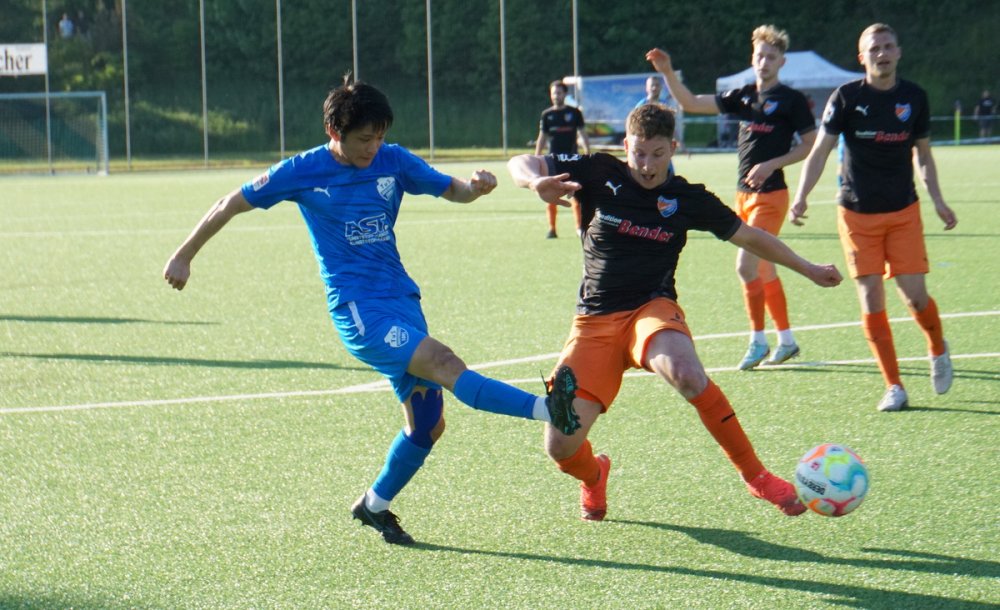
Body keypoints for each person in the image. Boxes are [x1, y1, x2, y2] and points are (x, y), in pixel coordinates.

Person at [163, 76, 580, 546]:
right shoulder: (302, 169)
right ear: (333, 131)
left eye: (379, 136)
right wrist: (183, 255)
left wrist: (476, 188)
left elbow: (453, 190)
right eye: (364, 138)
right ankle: (548, 409)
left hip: (402, 300)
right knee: (444, 362)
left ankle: (374, 505)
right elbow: (230, 204)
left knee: (427, 424)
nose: (373, 147)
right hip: (359, 311)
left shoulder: (393, 160)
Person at [507, 103, 843, 522]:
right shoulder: (598, 170)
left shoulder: (687, 198)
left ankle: (756, 477)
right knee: (560, 446)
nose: (647, 165)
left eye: (658, 153)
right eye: (639, 153)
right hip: (593, 321)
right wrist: (535, 180)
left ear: (673, 148)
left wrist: (808, 269)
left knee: (685, 371)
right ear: (626, 146)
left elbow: (750, 237)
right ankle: (594, 475)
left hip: (651, 308)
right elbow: (520, 161)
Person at [790, 23, 958, 412]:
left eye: (887, 46)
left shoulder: (914, 97)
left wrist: (938, 200)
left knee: (915, 297)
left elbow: (923, 155)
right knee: (870, 298)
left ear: (898, 52)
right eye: (874, 48)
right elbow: (820, 151)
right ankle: (894, 385)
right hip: (856, 213)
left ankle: (937, 347)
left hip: (903, 211)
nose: (882, 53)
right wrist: (801, 196)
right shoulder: (846, 98)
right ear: (862, 57)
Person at [647, 25, 817, 371]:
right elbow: (691, 103)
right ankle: (786, 340)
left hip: (771, 195)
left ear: (782, 62)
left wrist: (772, 164)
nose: (764, 62)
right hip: (744, 195)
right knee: (764, 267)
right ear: (752, 59)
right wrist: (667, 71)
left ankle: (758, 340)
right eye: (759, 56)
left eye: (771, 57)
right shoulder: (743, 96)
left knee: (746, 266)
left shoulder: (792, 100)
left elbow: (810, 144)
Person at [535, 80, 590, 238]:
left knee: (576, 194)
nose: (556, 96)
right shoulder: (547, 115)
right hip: (553, 161)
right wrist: (537, 156)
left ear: (565, 94)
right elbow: (542, 137)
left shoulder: (575, 113)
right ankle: (552, 229)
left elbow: (582, 134)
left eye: (559, 93)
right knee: (551, 195)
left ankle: (579, 228)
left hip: (572, 160)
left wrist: (587, 152)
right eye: (553, 93)